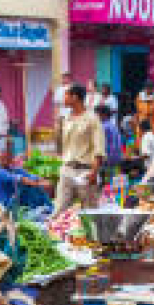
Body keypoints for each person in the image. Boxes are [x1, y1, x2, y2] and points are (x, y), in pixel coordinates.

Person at [56, 84, 105, 212]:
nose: (63, 98)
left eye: (66, 95)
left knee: (90, 213)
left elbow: (99, 149)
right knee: (59, 210)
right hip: (67, 169)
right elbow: (62, 145)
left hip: (86, 171)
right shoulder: (66, 118)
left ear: (75, 97)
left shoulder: (92, 119)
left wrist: (94, 173)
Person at [0, 145, 51, 210]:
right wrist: (39, 184)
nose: (6, 160)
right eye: (2, 158)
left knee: (35, 188)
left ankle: (47, 207)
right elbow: (20, 179)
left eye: (7, 158)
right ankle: (42, 208)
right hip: (2, 204)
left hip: (13, 201)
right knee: (30, 188)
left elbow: (29, 175)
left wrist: (44, 181)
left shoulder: (13, 169)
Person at [98, 105, 124, 171]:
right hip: (117, 158)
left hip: (107, 159)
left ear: (103, 115)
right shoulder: (114, 126)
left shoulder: (103, 127)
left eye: (97, 114)